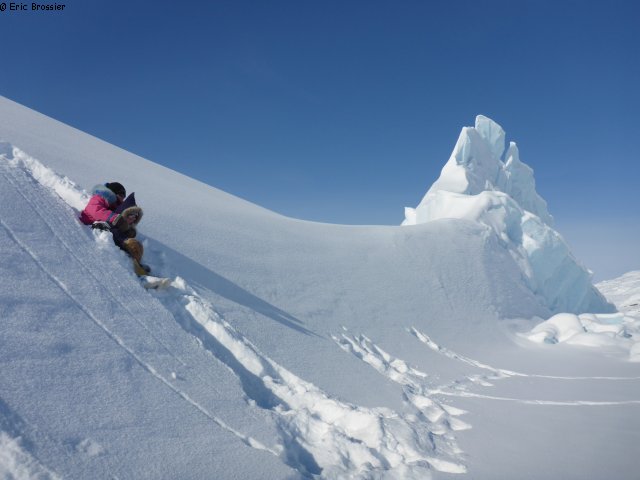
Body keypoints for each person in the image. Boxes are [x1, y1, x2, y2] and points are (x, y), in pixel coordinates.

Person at [80, 182, 149, 276]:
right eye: (121, 194)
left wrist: (127, 225)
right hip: (91, 225)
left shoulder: (113, 206)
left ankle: (136, 263)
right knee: (113, 232)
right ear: (112, 192)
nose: (122, 198)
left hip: (104, 225)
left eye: (124, 196)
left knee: (116, 231)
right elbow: (96, 211)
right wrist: (117, 218)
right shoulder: (98, 198)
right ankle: (127, 243)